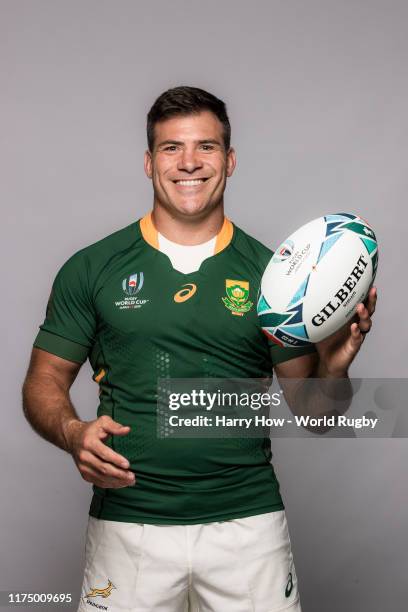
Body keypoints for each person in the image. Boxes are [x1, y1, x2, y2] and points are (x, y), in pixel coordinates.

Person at [23, 86, 376, 612]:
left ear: (229, 160)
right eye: (171, 148)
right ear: (149, 162)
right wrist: (73, 432)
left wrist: (337, 365)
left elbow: (317, 415)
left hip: (247, 528)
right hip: (129, 526)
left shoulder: (274, 278)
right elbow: (42, 383)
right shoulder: (92, 268)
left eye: (206, 147)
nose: (189, 162)